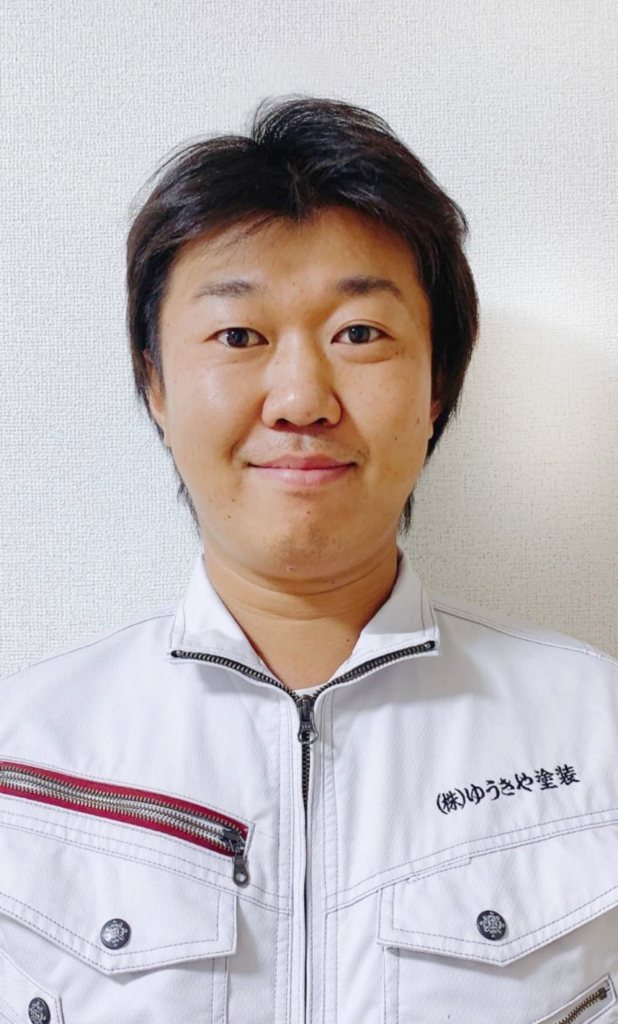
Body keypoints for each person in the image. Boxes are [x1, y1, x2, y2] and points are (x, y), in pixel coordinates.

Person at [0, 95, 616, 1024]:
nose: (300, 399)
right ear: (155, 383)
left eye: (359, 334)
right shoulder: (23, 759)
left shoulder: (598, 737)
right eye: (238, 336)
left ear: (437, 383)